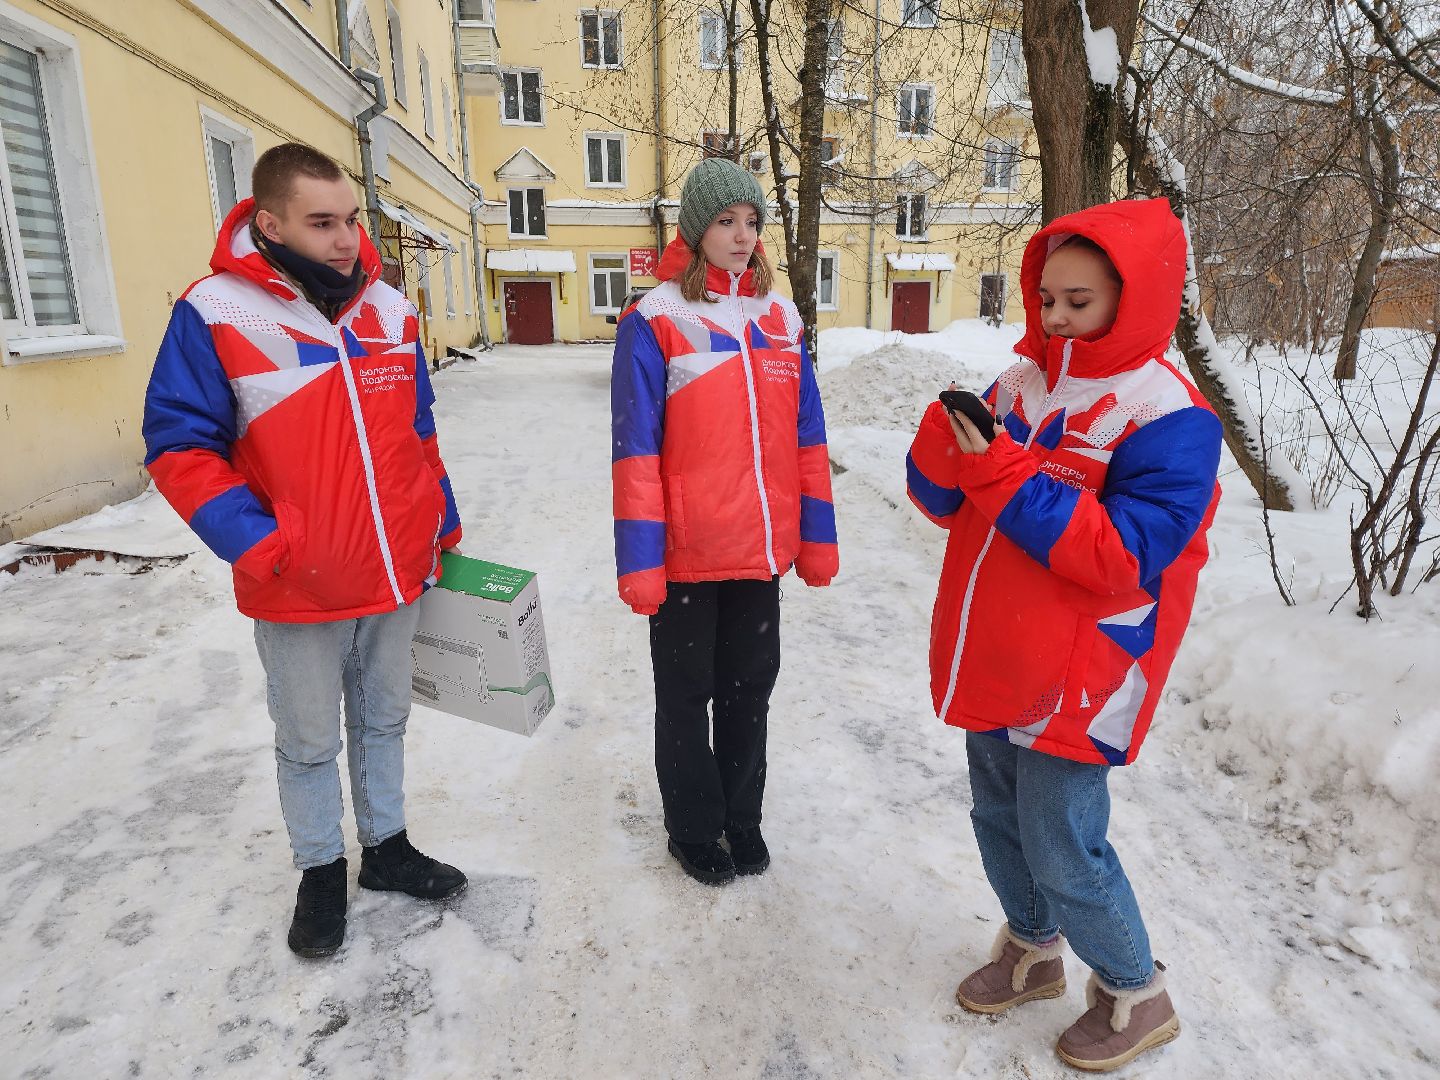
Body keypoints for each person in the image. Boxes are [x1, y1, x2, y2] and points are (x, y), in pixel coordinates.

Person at [905, 198, 1222, 1071]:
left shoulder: (1169, 415)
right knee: (998, 817)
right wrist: (942, 447)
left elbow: (1123, 555)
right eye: (1047, 298)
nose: (1055, 317)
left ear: (1134, 297)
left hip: (1090, 667)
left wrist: (1003, 471)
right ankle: (1034, 949)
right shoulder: (1020, 386)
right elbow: (944, 505)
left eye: (1078, 301)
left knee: (1060, 839)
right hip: (998, 647)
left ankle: (1136, 990)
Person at [143, 142, 467, 959]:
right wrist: (261, 543)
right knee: (309, 740)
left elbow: (418, 433)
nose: (346, 239)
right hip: (298, 583)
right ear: (270, 222)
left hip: (395, 568)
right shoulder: (217, 312)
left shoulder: (388, 311)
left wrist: (441, 523)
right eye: (322, 223)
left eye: (351, 219)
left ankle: (386, 849)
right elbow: (179, 445)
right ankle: (321, 869)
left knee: (385, 720)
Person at [610, 158, 839, 886]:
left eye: (751, 221)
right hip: (687, 553)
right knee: (685, 697)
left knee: (750, 693)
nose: (743, 235)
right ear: (694, 229)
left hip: (760, 551)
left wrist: (816, 537)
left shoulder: (781, 320)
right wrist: (640, 559)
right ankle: (693, 827)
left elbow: (808, 440)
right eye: (725, 221)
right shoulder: (655, 321)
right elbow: (635, 451)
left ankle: (742, 819)